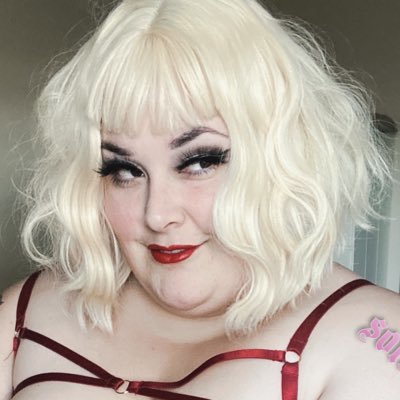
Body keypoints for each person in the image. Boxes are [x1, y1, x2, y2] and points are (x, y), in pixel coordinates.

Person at [1, 0, 399, 399]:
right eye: (124, 170)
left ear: (283, 158)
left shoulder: (376, 337)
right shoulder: (26, 311)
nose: (157, 215)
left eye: (199, 162)